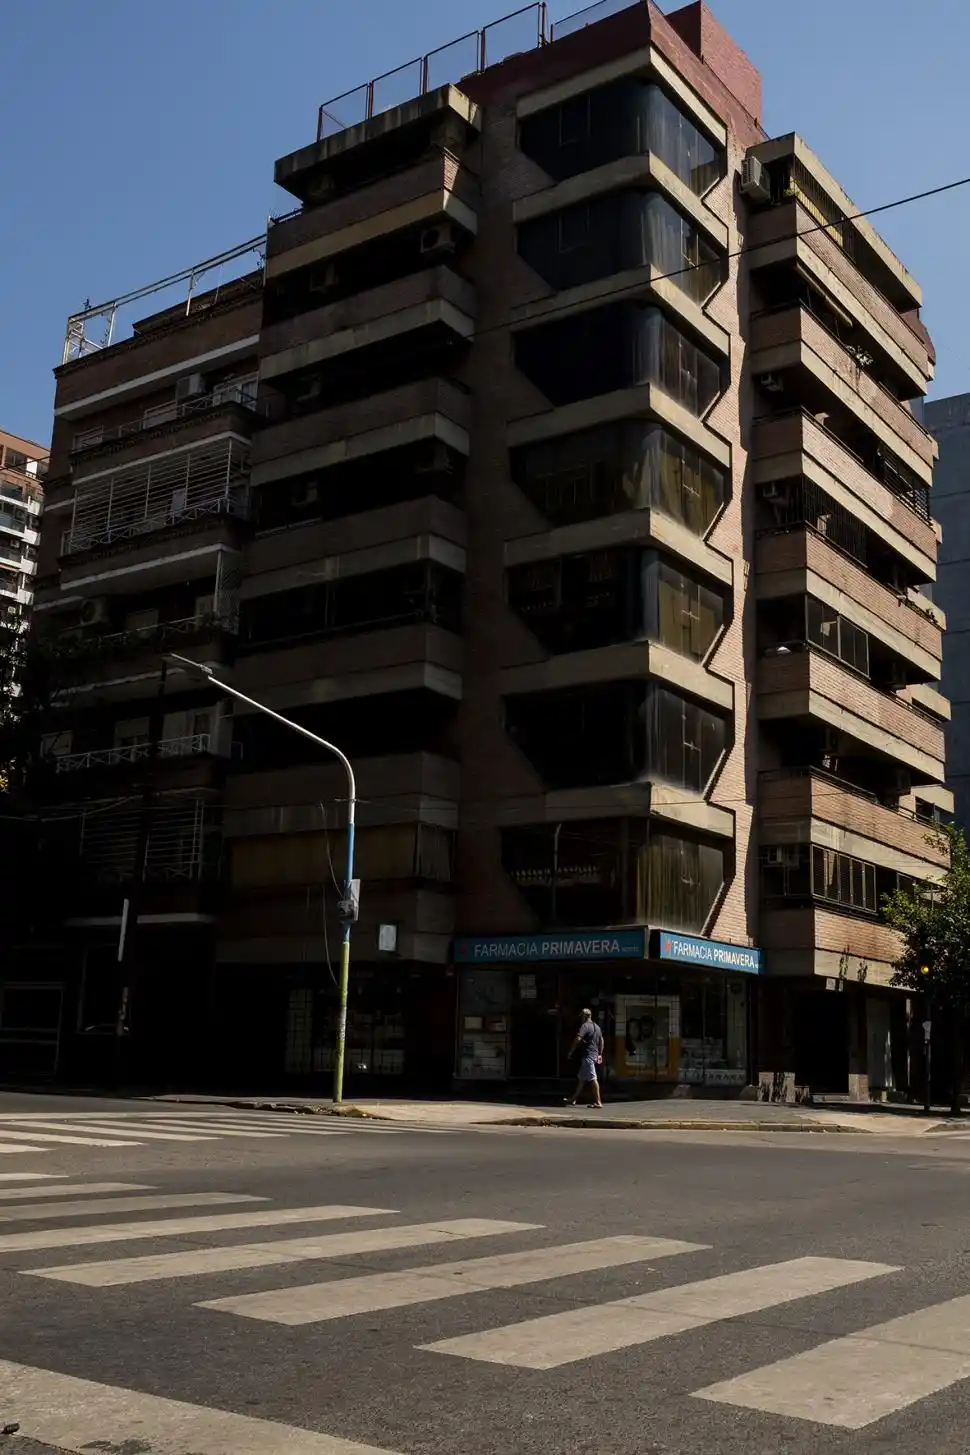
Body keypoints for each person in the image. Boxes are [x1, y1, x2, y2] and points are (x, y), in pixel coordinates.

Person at [565, 1008, 604, 1107]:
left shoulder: (585, 1026)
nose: (581, 1018)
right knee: (582, 1079)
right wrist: (600, 1053)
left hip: (588, 1056)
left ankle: (598, 1102)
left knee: (593, 1078)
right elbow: (601, 1040)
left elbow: (578, 1038)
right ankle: (573, 1099)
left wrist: (571, 1051)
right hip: (594, 1055)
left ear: (585, 1016)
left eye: (582, 1016)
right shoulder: (597, 1027)